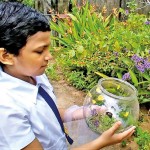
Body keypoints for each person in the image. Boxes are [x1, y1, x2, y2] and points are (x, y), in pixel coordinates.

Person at [0, 2, 136, 150]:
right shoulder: (7, 111)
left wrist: (85, 112)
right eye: (40, 51)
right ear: (6, 56)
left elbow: (47, 113)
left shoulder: (33, 74)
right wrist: (101, 142)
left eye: (48, 48)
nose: (49, 56)